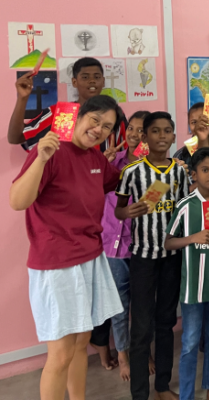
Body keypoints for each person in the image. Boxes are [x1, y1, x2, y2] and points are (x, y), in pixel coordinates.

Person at [10, 95, 126, 400]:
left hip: (90, 258)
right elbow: (17, 201)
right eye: (95, 120)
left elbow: (118, 181)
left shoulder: (95, 159)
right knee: (61, 353)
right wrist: (41, 159)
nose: (99, 129)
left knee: (80, 344)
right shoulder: (50, 151)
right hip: (57, 264)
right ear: (79, 116)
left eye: (107, 126)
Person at [115, 112, 190, 400]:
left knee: (166, 322)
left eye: (167, 131)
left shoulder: (180, 173)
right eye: (155, 131)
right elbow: (118, 210)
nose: (162, 136)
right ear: (145, 137)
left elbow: (184, 209)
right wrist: (126, 212)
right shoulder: (131, 172)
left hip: (172, 256)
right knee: (141, 326)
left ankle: (162, 386)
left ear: (173, 136)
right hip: (143, 258)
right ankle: (139, 394)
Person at [165, 147, 209, 400]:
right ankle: (186, 396)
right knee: (189, 344)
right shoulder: (185, 206)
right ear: (194, 174)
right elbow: (168, 242)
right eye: (205, 170)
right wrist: (192, 238)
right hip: (192, 289)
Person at [91, 110, 151, 381]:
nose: (137, 135)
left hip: (144, 246)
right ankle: (123, 355)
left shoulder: (158, 167)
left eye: (143, 130)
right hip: (114, 247)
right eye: (133, 129)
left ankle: (143, 351)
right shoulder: (112, 163)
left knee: (144, 306)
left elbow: (156, 207)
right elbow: (91, 192)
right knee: (119, 306)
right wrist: (102, 165)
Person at [8, 57, 126, 151]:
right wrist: (22, 98)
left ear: (103, 81)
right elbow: (15, 138)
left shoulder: (113, 115)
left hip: (105, 173)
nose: (92, 81)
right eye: (85, 77)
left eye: (97, 77)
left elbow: (128, 149)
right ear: (75, 82)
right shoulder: (63, 113)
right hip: (66, 174)